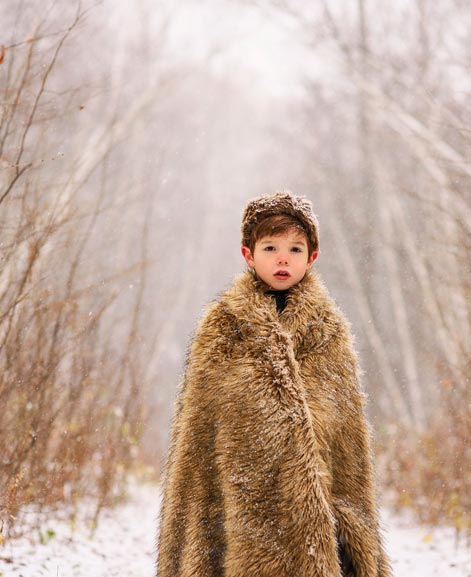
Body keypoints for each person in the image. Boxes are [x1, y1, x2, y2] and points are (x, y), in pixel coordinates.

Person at [155, 191, 391, 577]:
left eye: (296, 249)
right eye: (271, 247)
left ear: (312, 257)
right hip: (238, 512)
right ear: (248, 254)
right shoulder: (222, 327)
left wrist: (354, 531)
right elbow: (195, 447)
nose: (283, 258)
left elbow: (349, 450)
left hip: (311, 525)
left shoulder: (328, 331)